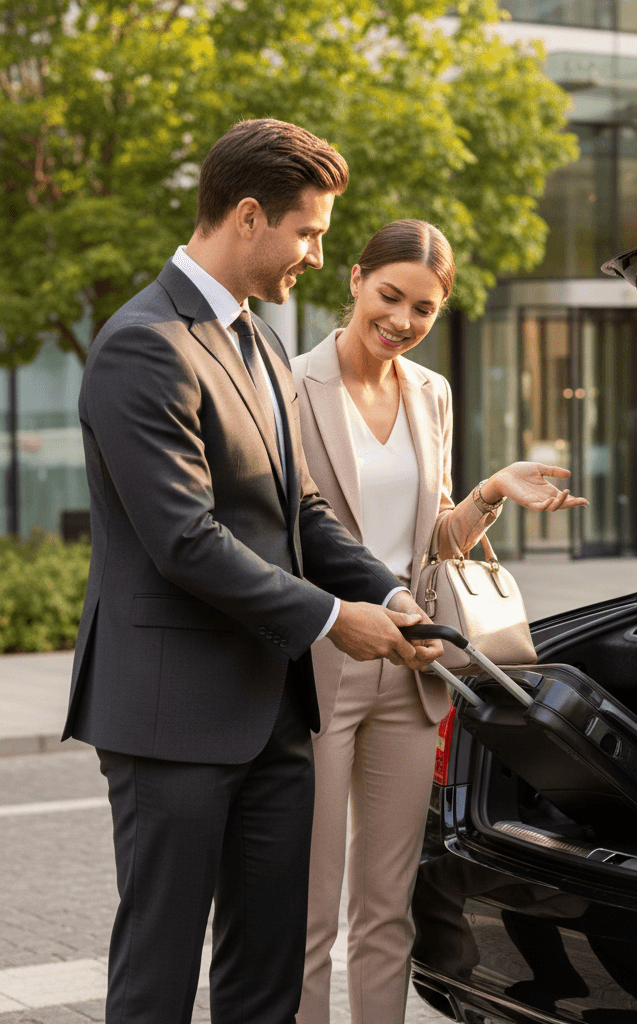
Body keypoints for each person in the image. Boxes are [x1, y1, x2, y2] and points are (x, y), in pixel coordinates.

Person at [62, 121, 443, 1024]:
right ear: (246, 216)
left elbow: (302, 513)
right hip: (170, 715)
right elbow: (185, 540)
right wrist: (333, 619)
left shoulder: (263, 345)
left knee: (268, 976)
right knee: (157, 978)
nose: (317, 255)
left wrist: (389, 593)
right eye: (308, 232)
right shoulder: (142, 343)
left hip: (273, 713)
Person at [290, 218, 588, 1024]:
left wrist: (490, 494)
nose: (402, 320)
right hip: (321, 659)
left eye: (423, 308)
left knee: (389, 907)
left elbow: (434, 544)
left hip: (412, 665)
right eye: (389, 296)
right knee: (307, 912)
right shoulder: (288, 385)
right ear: (355, 279)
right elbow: (289, 538)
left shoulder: (432, 393)